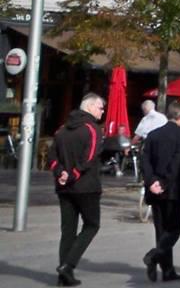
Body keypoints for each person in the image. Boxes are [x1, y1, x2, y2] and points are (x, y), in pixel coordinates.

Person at [48, 92, 105, 287]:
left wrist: (61, 172)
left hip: (64, 186)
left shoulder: (62, 129)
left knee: (68, 230)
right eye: (100, 108)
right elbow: (89, 157)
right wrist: (72, 174)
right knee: (92, 225)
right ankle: (67, 266)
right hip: (86, 187)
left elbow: (51, 156)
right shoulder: (92, 129)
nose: (102, 112)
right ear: (89, 107)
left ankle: (63, 276)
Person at [142, 101, 180, 283]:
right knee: (175, 228)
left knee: (161, 229)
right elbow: (177, 160)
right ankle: (155, 256)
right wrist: (164, 182)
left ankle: (167, 269)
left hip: (155, 188)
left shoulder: (153, 135)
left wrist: (151, 181)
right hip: (174, 188)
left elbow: (145, 160)